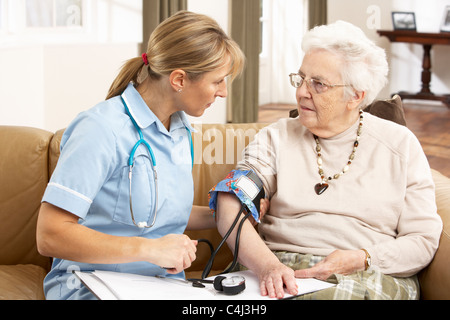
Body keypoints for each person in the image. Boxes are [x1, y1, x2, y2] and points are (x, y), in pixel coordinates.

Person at [213, 21, 443, 300]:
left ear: (355, 96)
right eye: (300, 79)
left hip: (366, 274)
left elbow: (423, 240)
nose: (301, 92)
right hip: (277, 268)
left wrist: (363, 258)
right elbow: (230, 200)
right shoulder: (275, 138)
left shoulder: (399, 145)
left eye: (318, 84)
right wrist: (269, 267)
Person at [36, 11, 245, 300]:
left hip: (161, 287)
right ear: (179, 80)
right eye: (218, 81)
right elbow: (50, 235)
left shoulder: (181, 131)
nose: (223, 92)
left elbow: (160, 215)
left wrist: (231, 212)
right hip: (91, 286)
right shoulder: (101, 129)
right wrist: (149, 249)